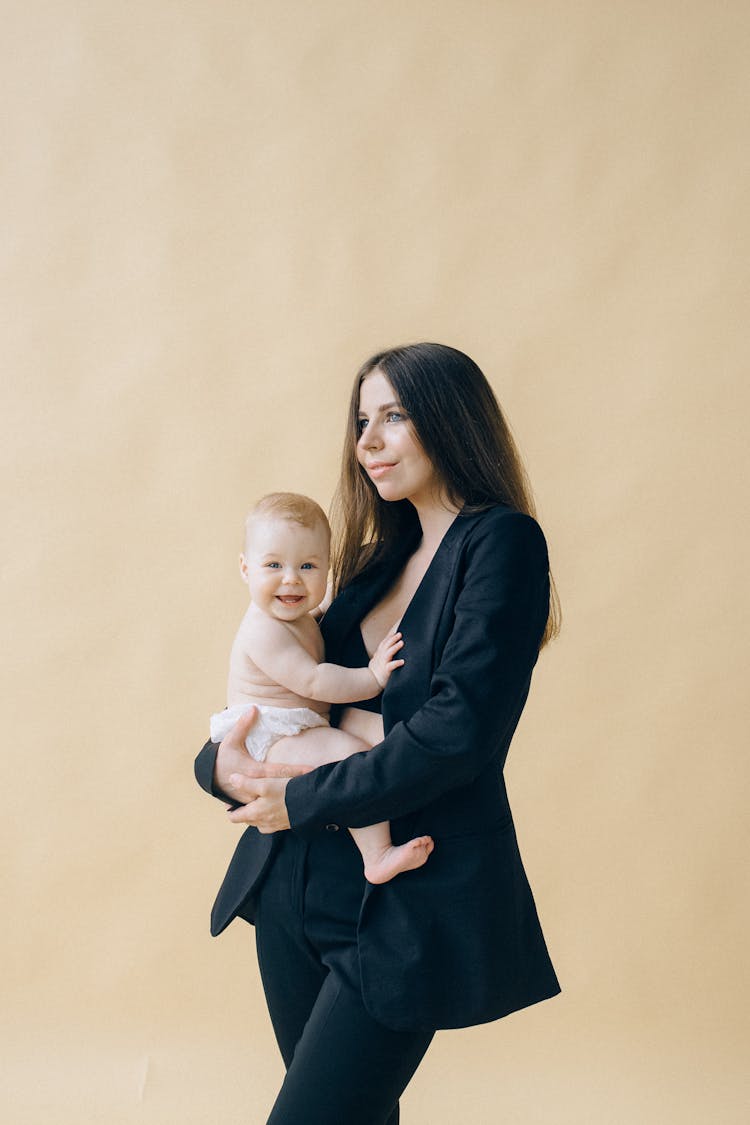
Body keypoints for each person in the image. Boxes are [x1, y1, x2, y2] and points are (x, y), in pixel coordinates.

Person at [195, 342, 562, 1125]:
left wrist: (299, 795)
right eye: (363, 419)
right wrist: (220, 768)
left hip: (404, 896)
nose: (366, 441)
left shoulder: (501, 544)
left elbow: (458, 732)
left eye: (393, 415)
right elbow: (279, 690)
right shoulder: (368, 558)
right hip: (294, 883)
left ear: (450, 419)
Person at [209, 491, 434, 884]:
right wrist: (373, 677)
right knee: (349, 757)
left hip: (294, 725)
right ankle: (376, 855)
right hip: (273, 733)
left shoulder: (294, 614)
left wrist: (329, 601)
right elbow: (314, 680)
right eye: (274, 565)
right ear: (246, 569)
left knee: (357, 753)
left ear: (327, 569)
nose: (292, 578)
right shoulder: (263, 631)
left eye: (308, 566)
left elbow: (312, 616)